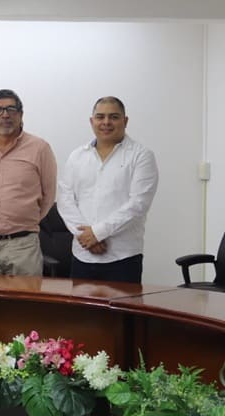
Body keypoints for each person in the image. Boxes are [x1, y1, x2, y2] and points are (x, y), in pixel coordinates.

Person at [57, 97, 159, 283]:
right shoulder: (77, 156)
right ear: (91, 121)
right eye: (100, 117)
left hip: (123, 257)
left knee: (123, 312)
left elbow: (138, 205)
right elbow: (65, 199)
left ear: (125, 121)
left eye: (113, 117)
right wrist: (85, 236)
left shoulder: (141, 156)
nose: (106, 122)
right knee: (81, 312)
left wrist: (97, 233)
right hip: (83, 255)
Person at [0, 89, 57, 276]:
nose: (5, 115)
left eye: (11, 109)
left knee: (25, 303)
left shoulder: (39, 148)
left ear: (21, 114)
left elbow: (49, 195)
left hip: (23, 245)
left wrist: (24, 220)